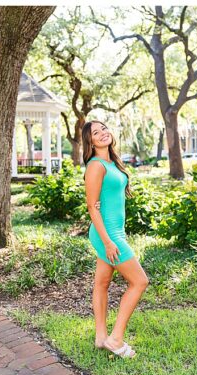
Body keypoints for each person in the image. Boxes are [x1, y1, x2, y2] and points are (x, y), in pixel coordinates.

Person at [82, 120, 150, 359]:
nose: (102, 134)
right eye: (95, 133)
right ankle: (116, 338)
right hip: (106, 235)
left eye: (104, 129)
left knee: (102, 283)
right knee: (140, 282)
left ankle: (101, 337)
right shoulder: (95, 166)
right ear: (89, 141)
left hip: (114, 232)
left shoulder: (111, 163)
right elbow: (92, 207)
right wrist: (108, 242)